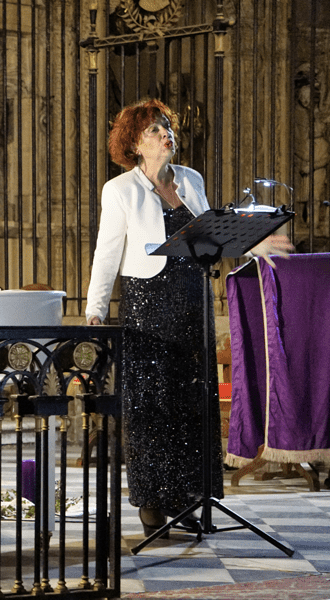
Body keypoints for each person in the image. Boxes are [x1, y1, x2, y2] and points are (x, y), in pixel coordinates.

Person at [84, 99, 293, 536]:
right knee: (151, 403)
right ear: (135, 143)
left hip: (192, 298)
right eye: (154, 129)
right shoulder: (119, 189)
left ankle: (185, 496)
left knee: (189, 402)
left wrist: (254, 243)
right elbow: (106, 253)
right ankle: (151, 501)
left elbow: (214, 236)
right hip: (148, 302)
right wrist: (95, 310)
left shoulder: (191, 179)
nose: (166, 134)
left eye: (167, 127)